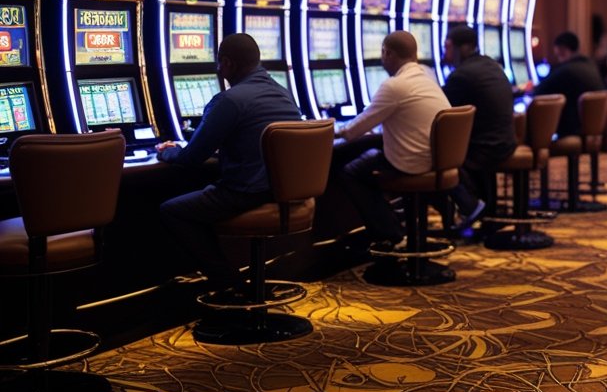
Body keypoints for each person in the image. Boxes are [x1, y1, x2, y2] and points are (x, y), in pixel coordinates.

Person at [158, 33, 303, 287]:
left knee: (173, 211)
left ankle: (228, 284)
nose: (218, 69)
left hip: (248, 192)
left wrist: (166, 151)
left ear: (227, 63)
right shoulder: (283, 93)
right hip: (283, 191)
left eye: (219, 62)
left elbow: (190, 158)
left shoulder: (229, 100)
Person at [332, 30, 472, 250]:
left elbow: (354, 130)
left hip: (414, 162)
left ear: (387, 53)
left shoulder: (394, 85)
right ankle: (399, 221)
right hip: (438, 159)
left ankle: (392, 234)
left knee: (350, 172)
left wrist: (330, 129)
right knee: (372, 149)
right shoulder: (428, 76)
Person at [441, 24, 516, 229]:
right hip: (506, 142)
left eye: (447, 46)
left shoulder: (462, 75)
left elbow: (438, 109)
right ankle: (478, 210)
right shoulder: (492, 65)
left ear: (463, 48)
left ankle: (470, 208)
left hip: (483, 148)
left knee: (435, 156)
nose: (444, 52)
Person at [532, 31, 605, 137]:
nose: (558, 59)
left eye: (558, 56)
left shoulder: (567, 70)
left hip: (573, 129)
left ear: (563, 50)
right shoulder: (590, 65)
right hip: (591, 125)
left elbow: (538, 92)